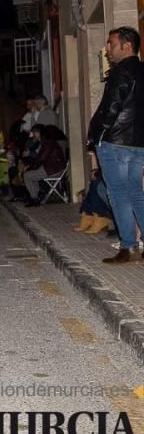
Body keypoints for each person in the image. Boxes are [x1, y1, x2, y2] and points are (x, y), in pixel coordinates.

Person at [86, 26, 144, 264]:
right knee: (136, 193)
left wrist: (97, 135)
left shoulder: (121, 71)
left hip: (115, 142)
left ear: (127, 45)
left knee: (118, 194)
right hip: (138, 143)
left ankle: (128, 246)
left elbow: (112, 107)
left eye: (111, 43)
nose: (108, 49)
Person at [21, 124, 65, 206]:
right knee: (29, 174)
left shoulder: (47, 143)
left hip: (53, 169)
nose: (33, 135)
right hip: (53, 167)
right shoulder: (47, 142)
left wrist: (31, 167)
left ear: (38, 133)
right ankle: (37, 195)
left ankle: (35, 198)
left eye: (34, 132)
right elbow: (41, 158)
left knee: (27, 175)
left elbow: (41, 158)